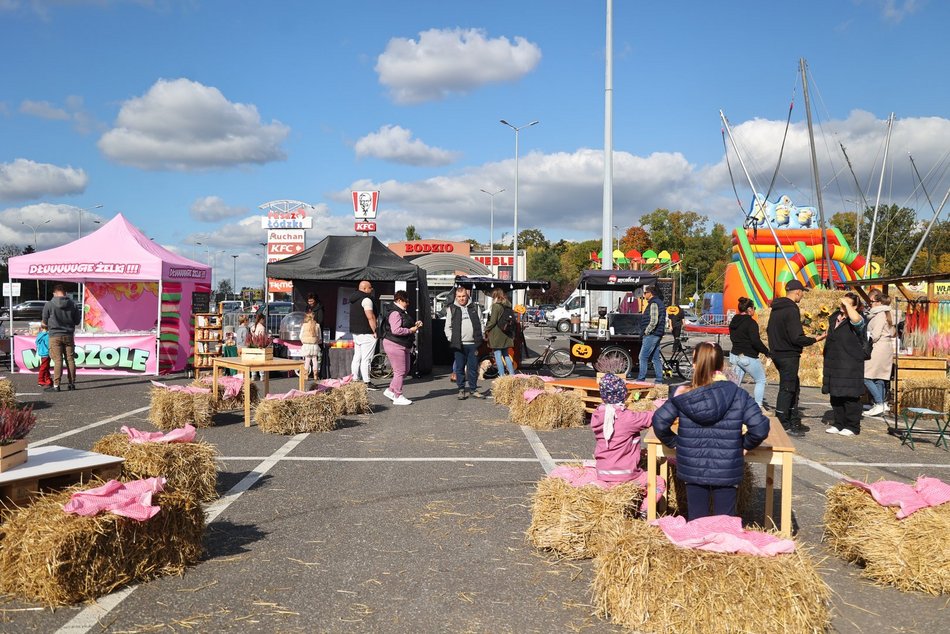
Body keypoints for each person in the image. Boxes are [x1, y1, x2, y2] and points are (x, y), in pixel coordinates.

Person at [653, 342, 770, 520]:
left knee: (696, 521)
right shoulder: (738, 394)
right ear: (722, 366)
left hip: (693, 465)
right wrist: (743, 445)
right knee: (725, 522)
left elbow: (659, 421)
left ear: (694, 364)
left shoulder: (683, 394)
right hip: (727, 466)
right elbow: (760, 427)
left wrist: (675, 443)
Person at [766, 280, 825, 437]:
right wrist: (815, 339)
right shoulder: (791, 309)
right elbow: (796, 337)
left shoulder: (776, 308)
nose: (803, 295)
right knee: (787, 388)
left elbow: (769, 330)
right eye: (802, 292)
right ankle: (783, 423)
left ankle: (793, 418)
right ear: (797, 292)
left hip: (778, 352)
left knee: (793, 386)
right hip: (788, 354)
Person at [590, 372, 653, 483]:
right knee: (658, 482)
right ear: (623, 394)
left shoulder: (598, 414)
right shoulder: (626, 418)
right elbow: (651, 418)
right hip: (625, 473)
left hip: (602, 471)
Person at [822, 293, 867, 437]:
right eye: (842, 303)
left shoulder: (859, 319)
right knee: (835, 394)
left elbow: (856, 321)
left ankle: (852, 426)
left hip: (850, 362)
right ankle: (838, 423)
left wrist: (847, 305)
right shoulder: (835, 317)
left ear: (855, 306)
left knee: (850, 395)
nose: (843, 305)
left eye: (847, 303)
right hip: (834, 361)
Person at [382, 290, 422, 405]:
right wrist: (411, 330)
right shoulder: (395, 313)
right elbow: (396, 330)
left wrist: (415, 325)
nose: (408, 303)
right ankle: (398, 396)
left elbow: (404, 324)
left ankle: (391, 390)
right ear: (399, 300)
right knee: (400, 371)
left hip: (402, 344)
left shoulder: (400, 311)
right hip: (395, 343)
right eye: (406, 301)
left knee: (405, 370)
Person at [444, 287, 484, 399]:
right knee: (459, 368)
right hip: (459, 344)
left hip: (473, 344)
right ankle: (461, 390)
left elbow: (481, 322)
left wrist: (481, 335)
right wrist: (451, 338)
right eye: (459, 297)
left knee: (473, 368)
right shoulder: (452, 309)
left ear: (467, 296)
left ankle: (473, 389)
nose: (461, 299)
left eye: (463, 296)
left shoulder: (475, 307)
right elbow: (447, 327)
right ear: (456, 297)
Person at [728, 297, 769, 408]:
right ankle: (758, 406)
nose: (754, 310)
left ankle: (730, 405)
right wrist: (766, 352)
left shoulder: (733, 322)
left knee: (735, 383)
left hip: (735, 355)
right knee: (760, 380)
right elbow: (756, 341)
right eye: (754, 308)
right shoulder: (751, 323)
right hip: (747, 357)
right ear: (749, 309)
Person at [41, 284, 81, 392]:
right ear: (65, 293)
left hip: (54, 336)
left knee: (58, 360)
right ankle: (71, 383)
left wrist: (45, 325)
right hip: (69, 335)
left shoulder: (49, 304)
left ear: (54, 293)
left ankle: (56, 385)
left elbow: (44, 322)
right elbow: (77, 321)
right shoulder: (73, 304)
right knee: (70, 359)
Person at [864, 290, 896, 417]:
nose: (870, 304)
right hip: (886, 347)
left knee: (866, 376)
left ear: (878, 303)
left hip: (878, 347)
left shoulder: (880, 315)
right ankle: (880, 404)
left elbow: (875, 335)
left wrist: (867, 340)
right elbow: (893, 332)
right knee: (879, 377)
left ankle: (879, 403)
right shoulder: (888, 313)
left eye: (872, 302)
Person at [349, 280, 378, 387]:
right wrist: (375, 330)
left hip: (356, 332)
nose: (371, 289)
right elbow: (370, 317)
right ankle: (367, 382)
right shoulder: (366, 300)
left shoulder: (353, 299)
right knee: (367, 359)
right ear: (365, 288)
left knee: (357, 357)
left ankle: (355, 379)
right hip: (367, 332)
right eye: (370, 287)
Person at [636, 285, 666, 383]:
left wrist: (646, 331)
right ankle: (659, 379)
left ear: (651, 293)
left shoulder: (654, 303)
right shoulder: (659, 303)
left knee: (642, 357)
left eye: (645, 293)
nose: (644, 295)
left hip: (652, 334)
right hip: (657, 333)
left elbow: (653, 321)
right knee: (655, 358)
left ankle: (641, 379)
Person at [485, 288, 516, 377]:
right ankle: (512, 374)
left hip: (497, 334)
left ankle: (502, 376)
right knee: (506, 354)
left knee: (497, 355)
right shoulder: (507, 305)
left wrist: (486, 328)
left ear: (495, 296)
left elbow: (493, 321)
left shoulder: (496, 306)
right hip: (506, 333)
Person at [300, 311, 321, 381]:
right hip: (314, 345)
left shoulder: (304, 325)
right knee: (315, 360)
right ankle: (315, 375)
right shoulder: (317, 325)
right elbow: (319, 337)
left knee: (307, 360)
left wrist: (303, 341)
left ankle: (306, 375)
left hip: (306, 345)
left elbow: (300, 336)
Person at [251, 313, 268, 381]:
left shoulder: (253, 327)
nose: (264, 321)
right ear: (261, 319)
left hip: (253, 345)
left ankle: (253, 375)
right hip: (260, 345)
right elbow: (262, 338)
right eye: (264, 319)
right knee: (261, 361)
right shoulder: (262, 328)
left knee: (254, 361)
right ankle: (262, 376)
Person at [35, 323, 52, 387]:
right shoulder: (47, 336)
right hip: (46, 353)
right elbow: (49, 345)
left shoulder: (40, 335)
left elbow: (37, 343)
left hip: (42, 352)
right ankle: (41, 380)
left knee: (46, 366)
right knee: (44, 367)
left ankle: (47, 379)